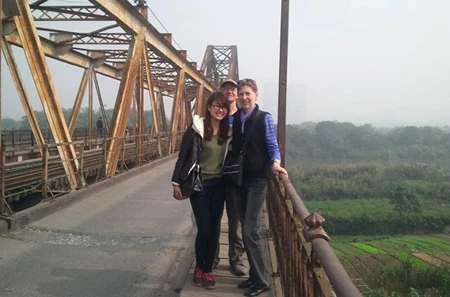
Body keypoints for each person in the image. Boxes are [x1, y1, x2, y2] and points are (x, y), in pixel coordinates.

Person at [230, 78, 287, 297]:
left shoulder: (264, 118)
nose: (244, 97)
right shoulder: (235, 118)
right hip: (239, 179)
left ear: (256, 95)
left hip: (257, 179)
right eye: (241, 94)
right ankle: (254, 276)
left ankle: (262, 281)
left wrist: (276, 163)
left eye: (248, 94)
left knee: (250, 230)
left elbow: (272, 144)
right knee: (246, 227)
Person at [171, 92, 230, 290]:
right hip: (199, 185)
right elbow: (183, 156)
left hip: (219, 186)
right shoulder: (197, 128)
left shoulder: (228, 131)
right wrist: (176, 183)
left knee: (214, 230)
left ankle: (207, 271)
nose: (220, 109)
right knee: (204, 228)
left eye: (224, 106)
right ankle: (199, 266)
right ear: (209, 106)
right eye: (216, 105)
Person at [214, 78, 247, 276]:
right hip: (216, 175)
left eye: (233, 89)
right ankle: (213, 257)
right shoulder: (215, 114)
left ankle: (236, 259)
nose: (230, 92)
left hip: (235, 175)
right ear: (221, 91)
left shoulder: (245, 116)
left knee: (235, 221)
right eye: (226, 88)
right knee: (213, 220)